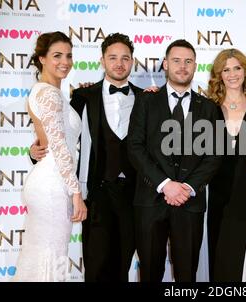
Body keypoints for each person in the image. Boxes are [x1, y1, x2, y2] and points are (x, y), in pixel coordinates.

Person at [30, 33, 141, 282]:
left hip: (133, 196)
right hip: (96, 193)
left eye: (125, 58)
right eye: (113, 57)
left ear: (132, 61)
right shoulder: (83, 96)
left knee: (123, 264)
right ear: (102, 60)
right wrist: (35, 150)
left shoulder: (147, 98)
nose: (119, 63)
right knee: (96, 265)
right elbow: (61, 136)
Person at [127, 39, 221, 282]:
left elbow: (214, 155)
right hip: (150, 198)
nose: (182, 66)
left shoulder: (209, 108)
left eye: (188, 61)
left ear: (195, 66)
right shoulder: (146, 101)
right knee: (149, 272)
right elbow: (135, 148)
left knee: (187, 274)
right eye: (176, 61)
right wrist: (165, 184)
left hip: (190, 202)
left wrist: (187, 188)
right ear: (165, 64)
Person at [14, 31, 87, 281]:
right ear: (42, 58)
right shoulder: (48, 93)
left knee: (40, 257)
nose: (64, 61)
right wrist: (76, 193)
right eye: (56, 55)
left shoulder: (50, 92)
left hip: (50, 181)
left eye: (68, 55)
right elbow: (59, 147)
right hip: (53, 186)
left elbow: (50, 141)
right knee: (52, 258)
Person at [205, 48, 246, 281]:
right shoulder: (208, 106)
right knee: (217, 251)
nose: (232, 74)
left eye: (237, 68)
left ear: (245, 70)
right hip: (215, 190)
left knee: (242, 254)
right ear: (219, 74)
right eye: (226, 69)